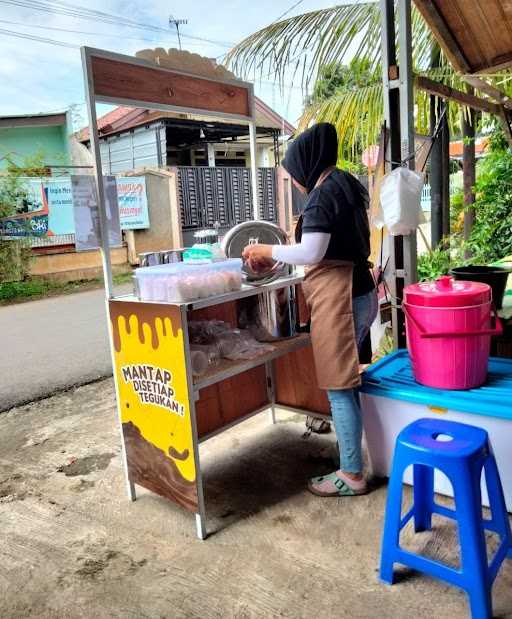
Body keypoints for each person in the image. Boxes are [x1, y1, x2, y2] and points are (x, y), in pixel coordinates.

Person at [243, 122, 378, 497]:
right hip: (360, 294)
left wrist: (266, 251)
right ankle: (360, 459)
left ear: (306, 162)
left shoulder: (323, 196)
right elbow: (329, 248)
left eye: (293, 171)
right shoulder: (347, 185)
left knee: (339, 385)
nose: (295, 179)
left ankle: (351, 474)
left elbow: (313, 252)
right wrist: (277, 260)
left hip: (343, 298)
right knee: (347, 381)